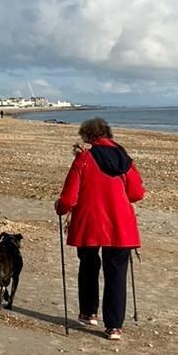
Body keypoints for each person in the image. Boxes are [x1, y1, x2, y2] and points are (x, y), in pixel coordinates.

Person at [55, 117, 145, 341]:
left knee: (88, 265)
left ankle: (89, 312)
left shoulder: (84, 159)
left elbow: (68, 197)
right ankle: (114, 326)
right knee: (116, 274)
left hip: (89, 223)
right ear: (108, 134)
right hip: (120, 225)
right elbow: (136, 194)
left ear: (87, 136)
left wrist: (61, 208)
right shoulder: (124, 159)